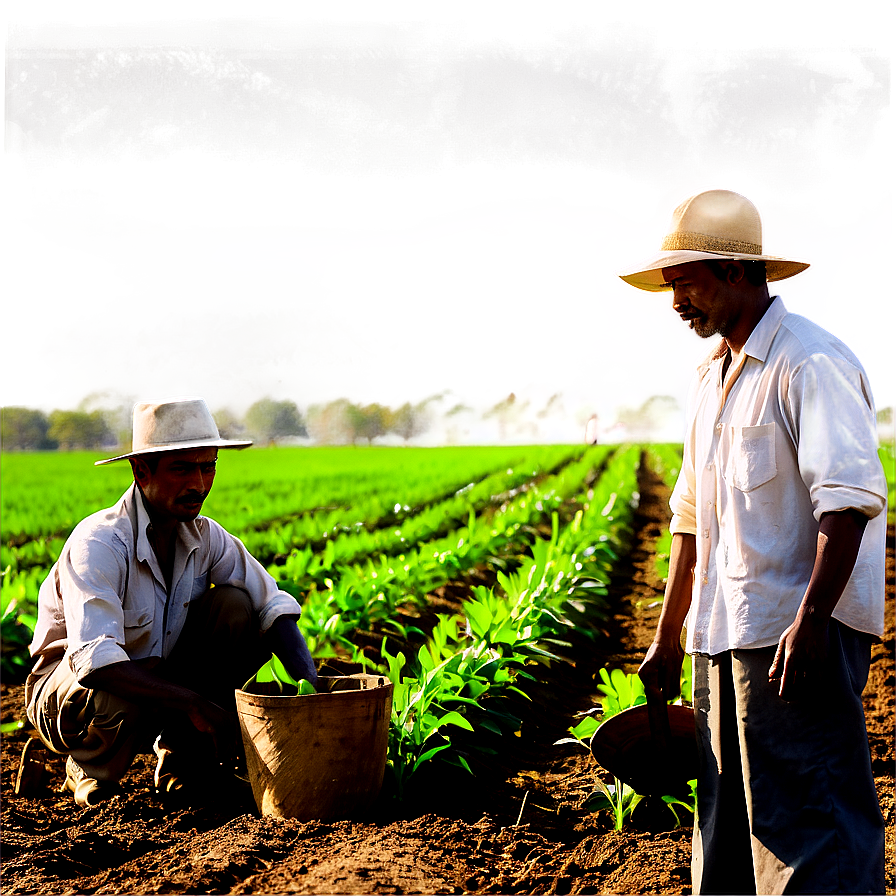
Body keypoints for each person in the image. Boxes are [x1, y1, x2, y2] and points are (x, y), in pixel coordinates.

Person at [614, 187, 887, 894]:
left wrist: (812, 621)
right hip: (721, 634)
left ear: (737, 272)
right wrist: (669, 635)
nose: (676, 302)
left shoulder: (810, 363)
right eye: (670, 285)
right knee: (728, 827)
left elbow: (848, 502)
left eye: (686, 282)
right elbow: (690, 516)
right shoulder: (710, 377)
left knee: (811, 823)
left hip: (794, 636)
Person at [25, 397, 318, 807]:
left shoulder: (204, 536)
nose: (199, 483)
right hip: (74, 695)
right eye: (182, 468)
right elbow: (97, 663)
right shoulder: (100, 543)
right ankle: (89, 768)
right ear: (141, 471)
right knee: (122, 677)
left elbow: (271, 604)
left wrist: (314, 689)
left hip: (159, 678)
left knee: (234, 607)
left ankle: (183, 764)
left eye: (209, 466)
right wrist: (195, 702)